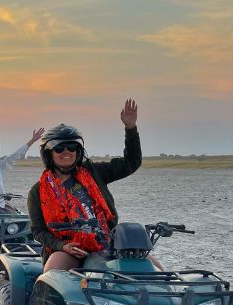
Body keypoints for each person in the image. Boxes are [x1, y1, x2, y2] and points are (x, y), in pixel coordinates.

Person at [27, 99, 163, 272]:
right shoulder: (37, 191)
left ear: (78, 151)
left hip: (106, 244)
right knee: (52, 273)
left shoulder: (94, 173)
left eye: (71, 146)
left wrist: (130, 129)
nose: (66, 151)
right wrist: (62, 246)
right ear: (48, 153)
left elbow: (131, 163)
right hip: (68, 249)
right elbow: (38, 232)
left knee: (152, 268)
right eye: (59, 148)